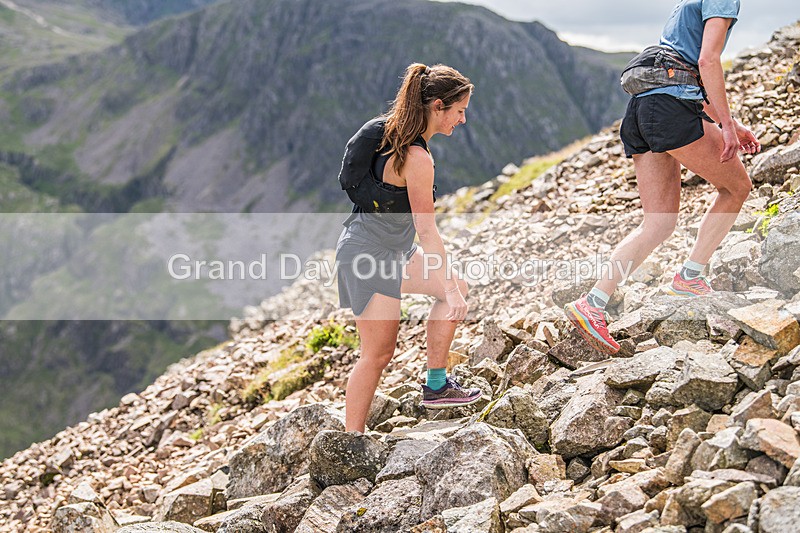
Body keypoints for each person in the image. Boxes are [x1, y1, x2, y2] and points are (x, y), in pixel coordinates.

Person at [565, 0, 761, 354]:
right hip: (671, 109)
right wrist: (727, 126)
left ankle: (592, 303)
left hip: (641, 110)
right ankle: (689, 277)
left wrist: (729, 122)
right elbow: (707, 61)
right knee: (737, 187)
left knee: (658, 222)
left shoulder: (686, 3)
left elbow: (682, 74)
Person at [336, 63, 481, 433]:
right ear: (437, 106)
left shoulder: (396, 138)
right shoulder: (417, 159)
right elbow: (427, 230)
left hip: (387, 249)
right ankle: (352, 439)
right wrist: (446, 286)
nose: (462, 120)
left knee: (456, 290)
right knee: (378, 354)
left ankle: (436, 386)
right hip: (369, 256)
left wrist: (451, 287)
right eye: (459, 110)